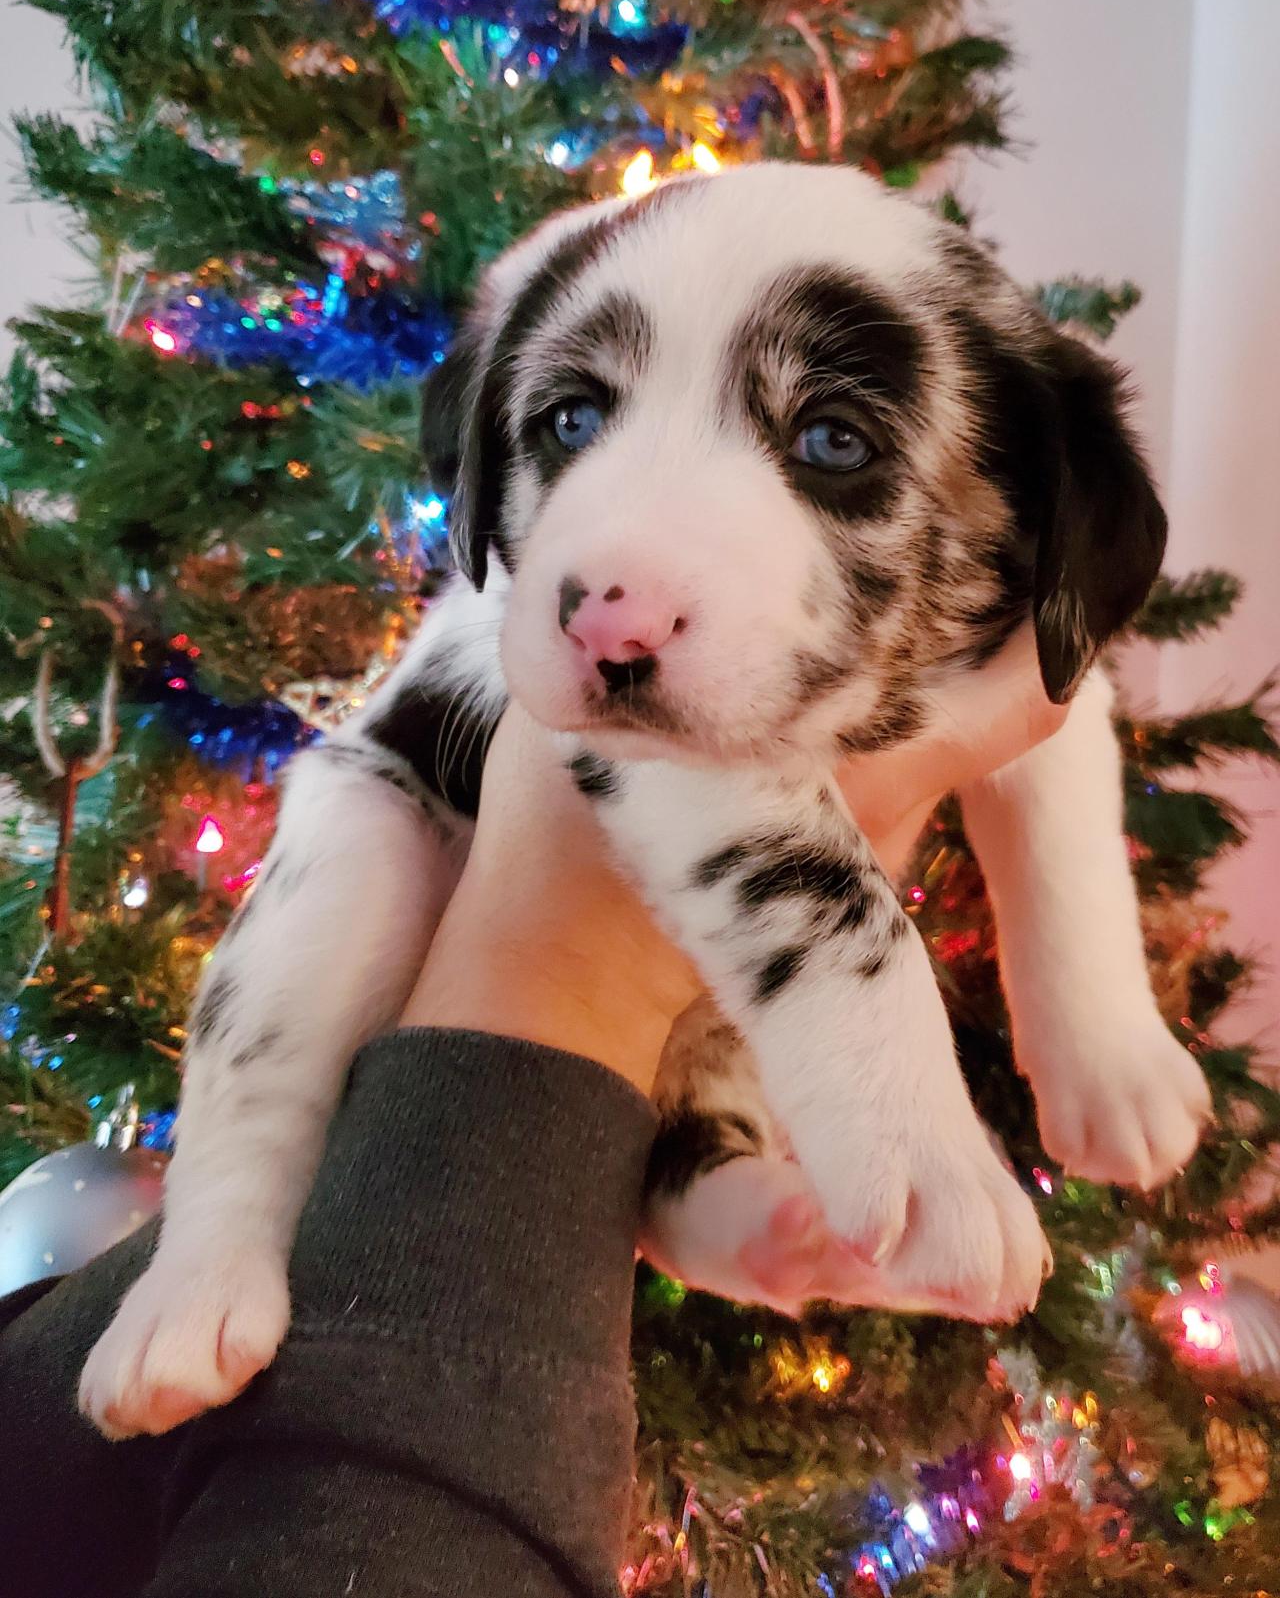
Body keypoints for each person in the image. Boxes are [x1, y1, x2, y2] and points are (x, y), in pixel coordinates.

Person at [0, 647, 1065, 1597]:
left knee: (703, 1019)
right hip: (417, 801)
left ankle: (712, 1189)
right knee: (351, 861)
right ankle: (214, 1232)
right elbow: (671, 760)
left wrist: (1084, 1018)